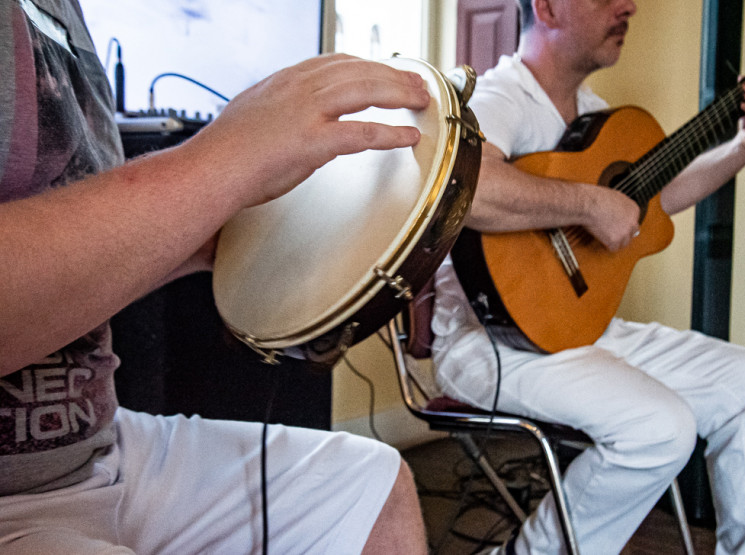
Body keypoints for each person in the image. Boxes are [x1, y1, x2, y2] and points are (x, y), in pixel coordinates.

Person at [1, 0, 431, 552]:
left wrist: (219, 235)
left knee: (372, 486)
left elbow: (75, 265)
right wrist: (219, 162)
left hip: (99, 446)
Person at [430, 0, 745, 553]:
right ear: (549, 7)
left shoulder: (592, 114)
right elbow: (474, 190)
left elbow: (653, 198)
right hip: (488, 342)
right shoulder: (497, 97)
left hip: (579, 328)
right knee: (660, 427)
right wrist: (588, 204)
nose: (628, 6)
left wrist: (743, 148)